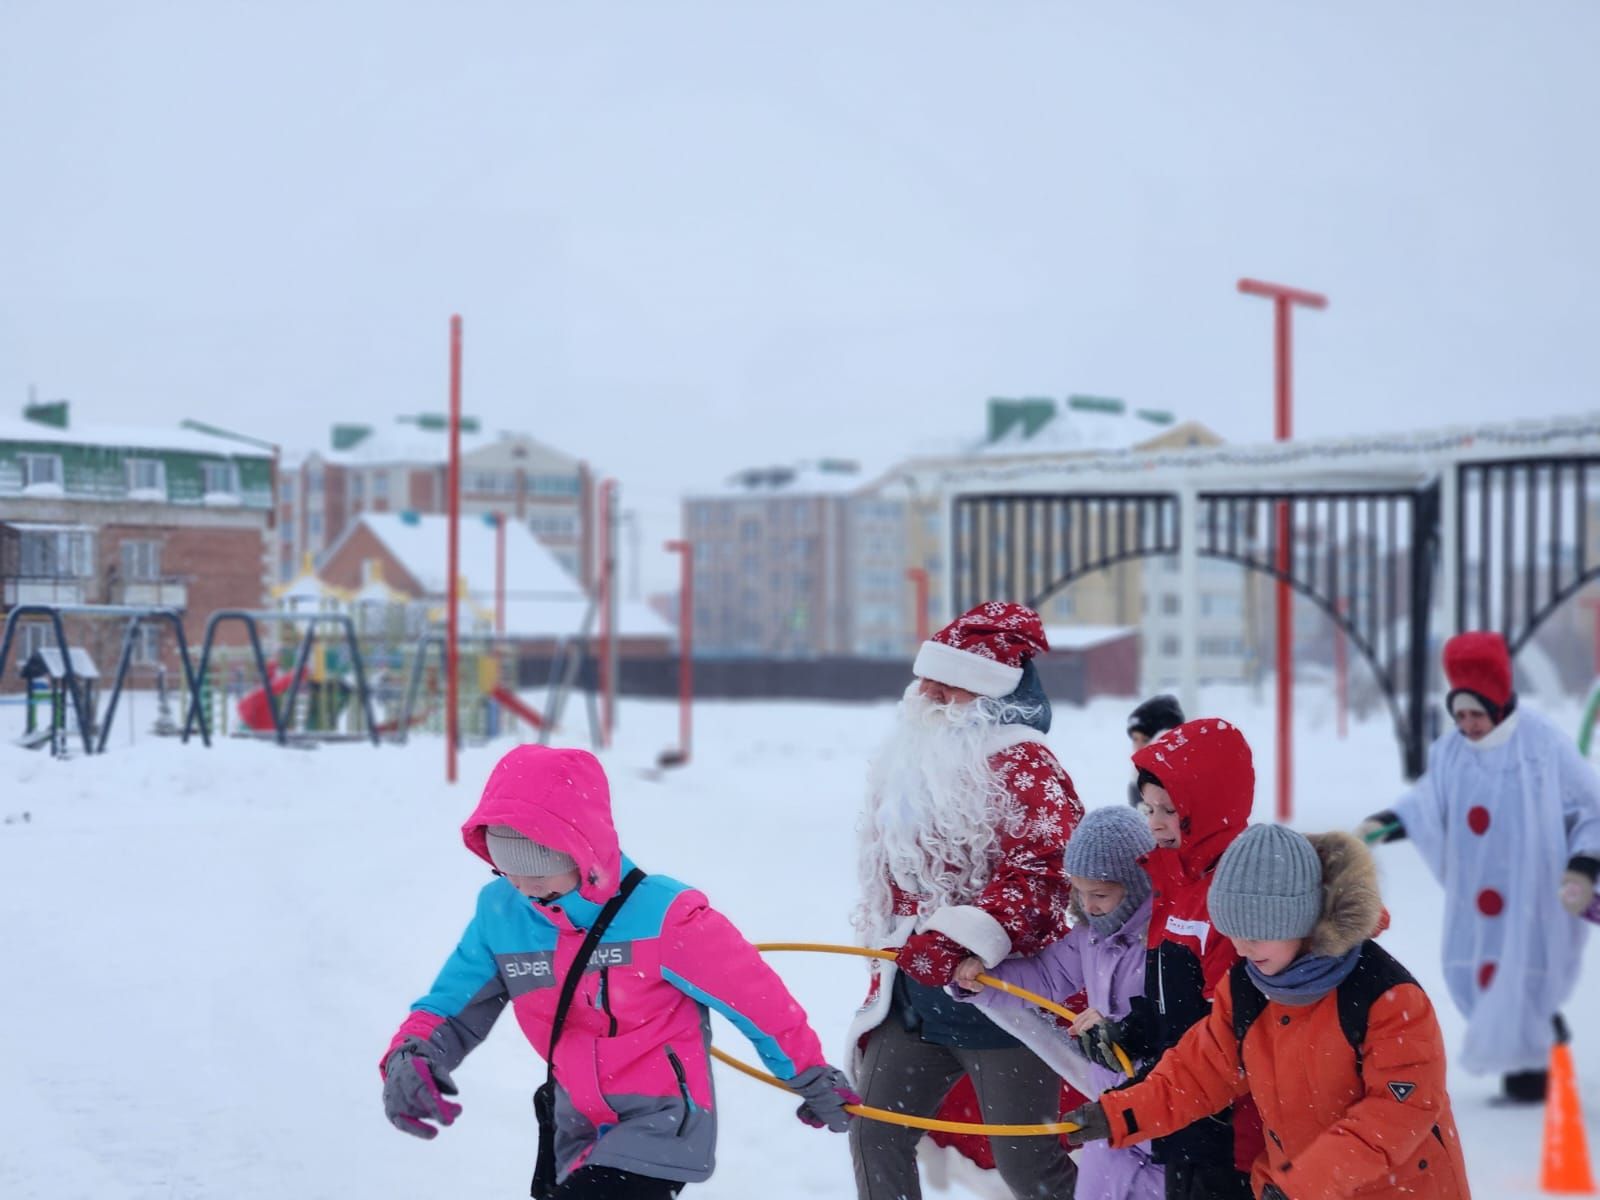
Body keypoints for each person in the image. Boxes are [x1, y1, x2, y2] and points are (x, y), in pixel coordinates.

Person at [379, 745, 855, 1199]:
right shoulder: (501, 915)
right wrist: (411, 1054)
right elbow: (453, 1006)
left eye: (537, 872)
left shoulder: (665, 916)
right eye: (505, 868)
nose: (522, 886)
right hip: (574, 1128)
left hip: (661, 1125)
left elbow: (757, 1001)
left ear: (581, 854)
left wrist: (812, 1077)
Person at [1066, 824, 1471, 1200]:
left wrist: (1302, 1184)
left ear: (1298, 921)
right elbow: (1198, 1072)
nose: (1241, 949)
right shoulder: (1248, 989)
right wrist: (1119, 1113)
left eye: (1257, 936)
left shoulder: (1385, 998)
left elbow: (1394, 1115)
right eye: (1233, 934)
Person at [848, 601, 1082, 1200]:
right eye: (922, 680)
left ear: (985, 694)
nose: (923, 693)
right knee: (876, 1134)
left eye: (944, 686)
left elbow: (1050, 868)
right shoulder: (912, 761)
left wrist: (966, 936)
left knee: (1029, 1164)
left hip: (1001, 1003)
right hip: (912, 999)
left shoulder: (1026, 761)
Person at [1359, 630, 1600, 1102]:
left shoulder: (1542, 745)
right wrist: (1385, 824)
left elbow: (1588, 808)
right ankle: (1539, 1050)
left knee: (1528, 977)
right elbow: (1427, 803)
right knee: (1476, 978)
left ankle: (1532, 1081)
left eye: (1477, 714)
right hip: (1475, 901)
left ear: (1499, 705)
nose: (1468, 725)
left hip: (1535, 894)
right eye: (1460, 714)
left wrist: (1582, 867)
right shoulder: (1451, 752)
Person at [952, 804, 1166, 1199]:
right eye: (1080, 893)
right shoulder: (1091, 937)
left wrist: (1121, 1028)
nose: (1089, 906)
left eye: (1100, 894)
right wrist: (983, 981)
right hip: (1110, 1116)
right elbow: (1047, 977)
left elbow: (1173, 1024)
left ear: (1137, 884)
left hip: (1161, 1114)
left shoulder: (1164, 943)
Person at [1090, 717, 1260, 1200]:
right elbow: (1173, 1006)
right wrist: (1133, 1029)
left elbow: (1225, 1033)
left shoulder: (1231, 896)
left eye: (1170, 809)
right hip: (1184, 1117)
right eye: (1149, 808)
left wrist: (1144, 1092)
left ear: (1209, 807)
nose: (1155, 823)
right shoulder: (1174, 883)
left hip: (1229, 1132)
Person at [1126, 695, 1185, 806]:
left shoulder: (1184, 781)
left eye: (1146, 740)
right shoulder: (1136, 780)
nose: (1138, 748)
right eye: (1135, 739)